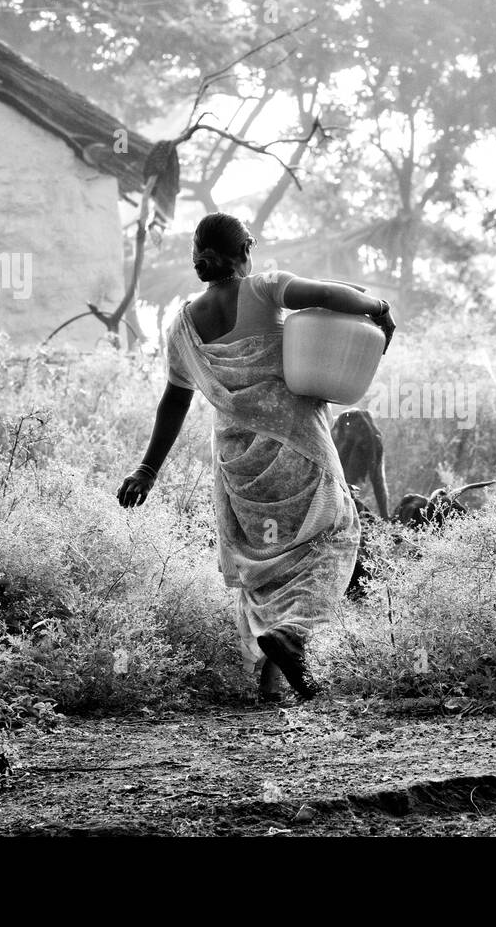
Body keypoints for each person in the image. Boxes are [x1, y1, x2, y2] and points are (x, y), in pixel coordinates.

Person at [117, 213, 395, 701]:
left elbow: (174, 401)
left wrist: (147, 469)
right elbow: (328, 296)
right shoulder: (265, 289)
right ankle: (294, 634)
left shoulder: (181, 326)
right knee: (331, 539)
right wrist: (378, 306)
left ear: (199, 257)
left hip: (239, 467)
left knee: (261, 564)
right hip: (298, 448)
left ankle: (269, 684)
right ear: (247, 247)